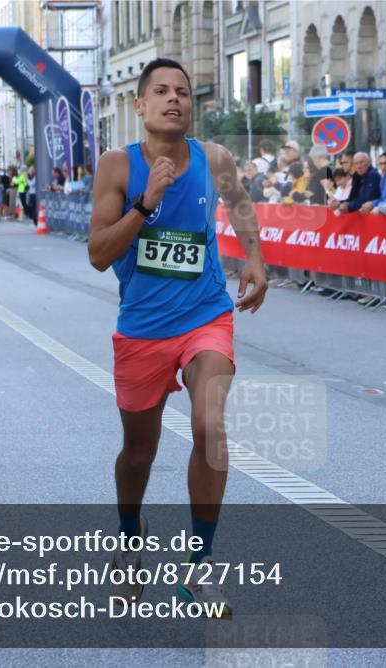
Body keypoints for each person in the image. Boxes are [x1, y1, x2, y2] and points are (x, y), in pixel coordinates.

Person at [87, 58, 266, 618]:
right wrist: (145, 204)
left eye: (183, 92)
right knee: (138, 453)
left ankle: (199, 564)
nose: (174, 100)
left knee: (210, 424)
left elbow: (239, 203)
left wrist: (256, 259)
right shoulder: (118, 166)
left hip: (205, 316)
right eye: (161, 92)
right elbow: (98, 255)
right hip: (142, 328)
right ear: (139, 106)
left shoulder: (215, 159)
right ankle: (129, 534)